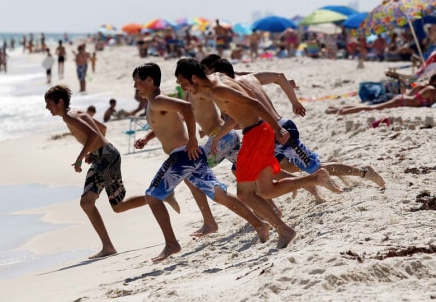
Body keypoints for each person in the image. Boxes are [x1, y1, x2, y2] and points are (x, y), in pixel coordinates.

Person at [174, 59, 343, 251]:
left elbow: (253, 102)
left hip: (256, 134)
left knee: (244, 193)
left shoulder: (218, 89)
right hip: (258, 132)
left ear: (194, 77)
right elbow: (241, 97)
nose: (182, 87)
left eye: (183, 83)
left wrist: (278, 129)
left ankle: (282, 229)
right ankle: (315, 178)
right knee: (266, 190)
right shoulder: (217, 78)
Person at [131, 63, 270, 262]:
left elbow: (187, 108)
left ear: (150, 81)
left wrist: (193, 141)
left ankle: (171, 243)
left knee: (152, 197)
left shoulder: (159, 100)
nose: (135, 86)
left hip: (181, 157)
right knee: (220, 194)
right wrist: (147, 138)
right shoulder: (156, 103)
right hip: (190, 157)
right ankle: (259, 224)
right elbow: (170, 121)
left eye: (137, 81)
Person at [208, 58, 386, 192]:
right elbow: (280, 77)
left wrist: (219, 135)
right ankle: (319, 175)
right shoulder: (250, 77)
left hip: (280, 130)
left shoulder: (234, 88)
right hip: (268, 133)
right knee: (287, 167)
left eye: (210, 74)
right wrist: (294, 102)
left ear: (219, 73)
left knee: (315, 168)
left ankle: (364, 172)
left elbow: (238, 118)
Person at [44, 85, 179, 259]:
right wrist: (92, 151)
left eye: (49, 104)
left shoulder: (69, 117)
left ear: (60, 101)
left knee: (118, 206)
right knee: (87, 203)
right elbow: (102, 129)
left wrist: (80, 157)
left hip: (106, 157)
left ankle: (160, 195)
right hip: (101, 156)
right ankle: (108, 246)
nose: (47, 108)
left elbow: (93, 134)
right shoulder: (76, 112)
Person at [326, 79, 436, 115]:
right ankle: (342, 111)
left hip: (400, 100)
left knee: (369, 106)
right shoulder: (432, 90)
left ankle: (337, 109)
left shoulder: (428, 88)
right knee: (372, 108)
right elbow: (433, 105)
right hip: (401, 102)